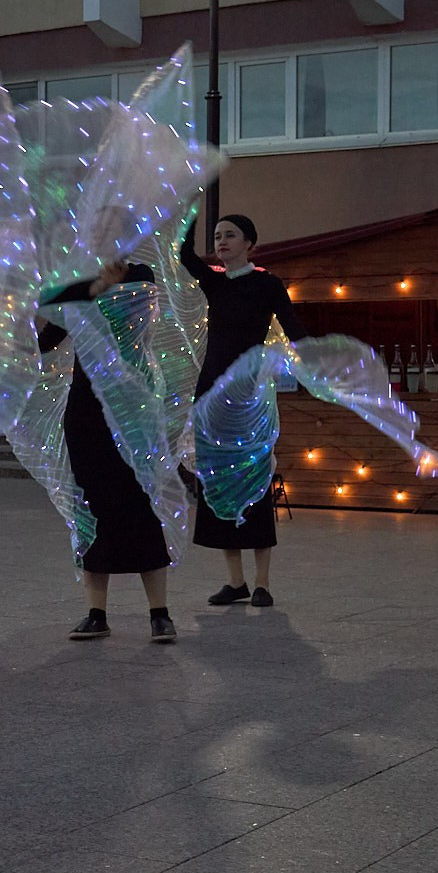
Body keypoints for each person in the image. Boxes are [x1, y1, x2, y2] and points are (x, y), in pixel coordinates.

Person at [40, 264, 177, 644]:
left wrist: (91, 291)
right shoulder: (81, 286)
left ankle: (160, 614)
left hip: (132, 409)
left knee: (141, 508)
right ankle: (96, 613)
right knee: (89, 509)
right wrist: (77, 289)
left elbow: (132, 317)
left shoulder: (139, 275)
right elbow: (47, 335)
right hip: (86, 413)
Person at [180, 211, 308, 608]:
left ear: (249, 242)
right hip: (213, 395)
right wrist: (190, 205)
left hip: (250, 397)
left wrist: (319, 360)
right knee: (219, 485)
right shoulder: (216, 284)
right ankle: (234, 581)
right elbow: (184, 253)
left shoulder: (268, 284)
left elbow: (293, 328)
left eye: (230, 235)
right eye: (217, 235)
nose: (221, 241)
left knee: (253, 486)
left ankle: (262, 583)